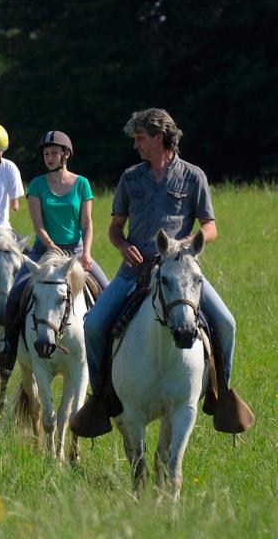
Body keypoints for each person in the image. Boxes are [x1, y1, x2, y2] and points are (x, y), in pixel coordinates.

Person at [71, 107, 238, 437]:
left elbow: (211, 226)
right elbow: (115, 228)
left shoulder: (193, 176)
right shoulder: (130, 177)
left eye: (140, 139)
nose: (136, 146)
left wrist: (188, 243)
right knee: (94, 325)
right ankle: (103, 398)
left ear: (159, 138)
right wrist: (121, 246)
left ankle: (221, 396)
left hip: (181, 272)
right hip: (135, 271)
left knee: (227, 323)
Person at [0, 130, 109, 371]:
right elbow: (38, 225)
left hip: (76, 252)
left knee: (106, 291)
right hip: (43, 251)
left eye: (54, 152)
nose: (49, 157)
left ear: (66, 154)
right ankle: (8, 347)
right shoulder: (37, 184)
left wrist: (87, 252)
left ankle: (108, 352)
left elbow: (87, 223)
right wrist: (51, 245)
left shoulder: (82, 184)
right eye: (46, 153)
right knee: (15, 294)